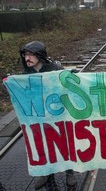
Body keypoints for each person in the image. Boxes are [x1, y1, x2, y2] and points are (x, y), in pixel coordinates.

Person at [19, 41, 77, 189]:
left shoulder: (55, 68)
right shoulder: (27, 72)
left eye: (31, 54)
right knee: (43, 144)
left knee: (62, 143)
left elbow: (66, 84)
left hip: (57, 114)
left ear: (40, 55)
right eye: (26, 55)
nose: (27, 58)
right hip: (39, 116)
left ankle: (69, 172)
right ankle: (46, 172)